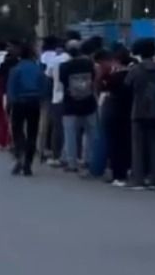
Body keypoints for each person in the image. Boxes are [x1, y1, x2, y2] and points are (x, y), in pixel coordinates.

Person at [126, 39, 155, 190]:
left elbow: (127, 85)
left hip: (139, 110)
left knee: (138, 146)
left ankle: (138, 178)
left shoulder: (136, 69)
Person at [57, 40, 98, 173]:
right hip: (89, 103)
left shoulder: (64, 66)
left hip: (70, 104)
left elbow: (63, 82)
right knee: (91, 133)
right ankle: (90, 160)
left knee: (70, 135)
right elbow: (94, 78)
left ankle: (72, 162)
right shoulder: (89, 64)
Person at [7, 44, 43, 176]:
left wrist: (11, 103)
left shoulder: (16, 69)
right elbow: (43, 86)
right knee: (32, 132)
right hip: (34, 102)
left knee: (17, 130)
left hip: (19, 102)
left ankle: (20, 153)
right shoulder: (37, 69)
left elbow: (11, 89)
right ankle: (28, 162)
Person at [101, 48, 134, 186]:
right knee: (127, 142)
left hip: (115, 112)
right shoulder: (132, 74)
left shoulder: (114, 77)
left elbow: (107, 91)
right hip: (130, 112)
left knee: (115, 144)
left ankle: (117, 174)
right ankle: (128, 169)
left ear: (117, 61)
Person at [38, 35, 68, 165]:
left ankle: (42, 149)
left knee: (45, 121)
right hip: (62, 93)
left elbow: (44, 76)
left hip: (48, 92)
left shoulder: (45, 57)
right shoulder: (62, 56)